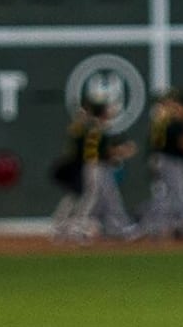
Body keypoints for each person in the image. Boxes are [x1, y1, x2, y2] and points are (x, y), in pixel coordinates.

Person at [52, 99, 137, 243]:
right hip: (95, 166)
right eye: (108, 109)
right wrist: (123, 151)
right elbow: (104, 152)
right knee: (91, 198)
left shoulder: (90, 127)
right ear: (103, 112)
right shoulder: (96, 128)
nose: (111, 111)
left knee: (106, 198)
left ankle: (119, 228)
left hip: (93, 165)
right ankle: (77, 228)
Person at [140, 89, 183, 240]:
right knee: (180, 195)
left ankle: (160, 226)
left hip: (163, 158)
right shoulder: (171, 121)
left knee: (170, 196)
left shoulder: (163, 118)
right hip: (170, 160)